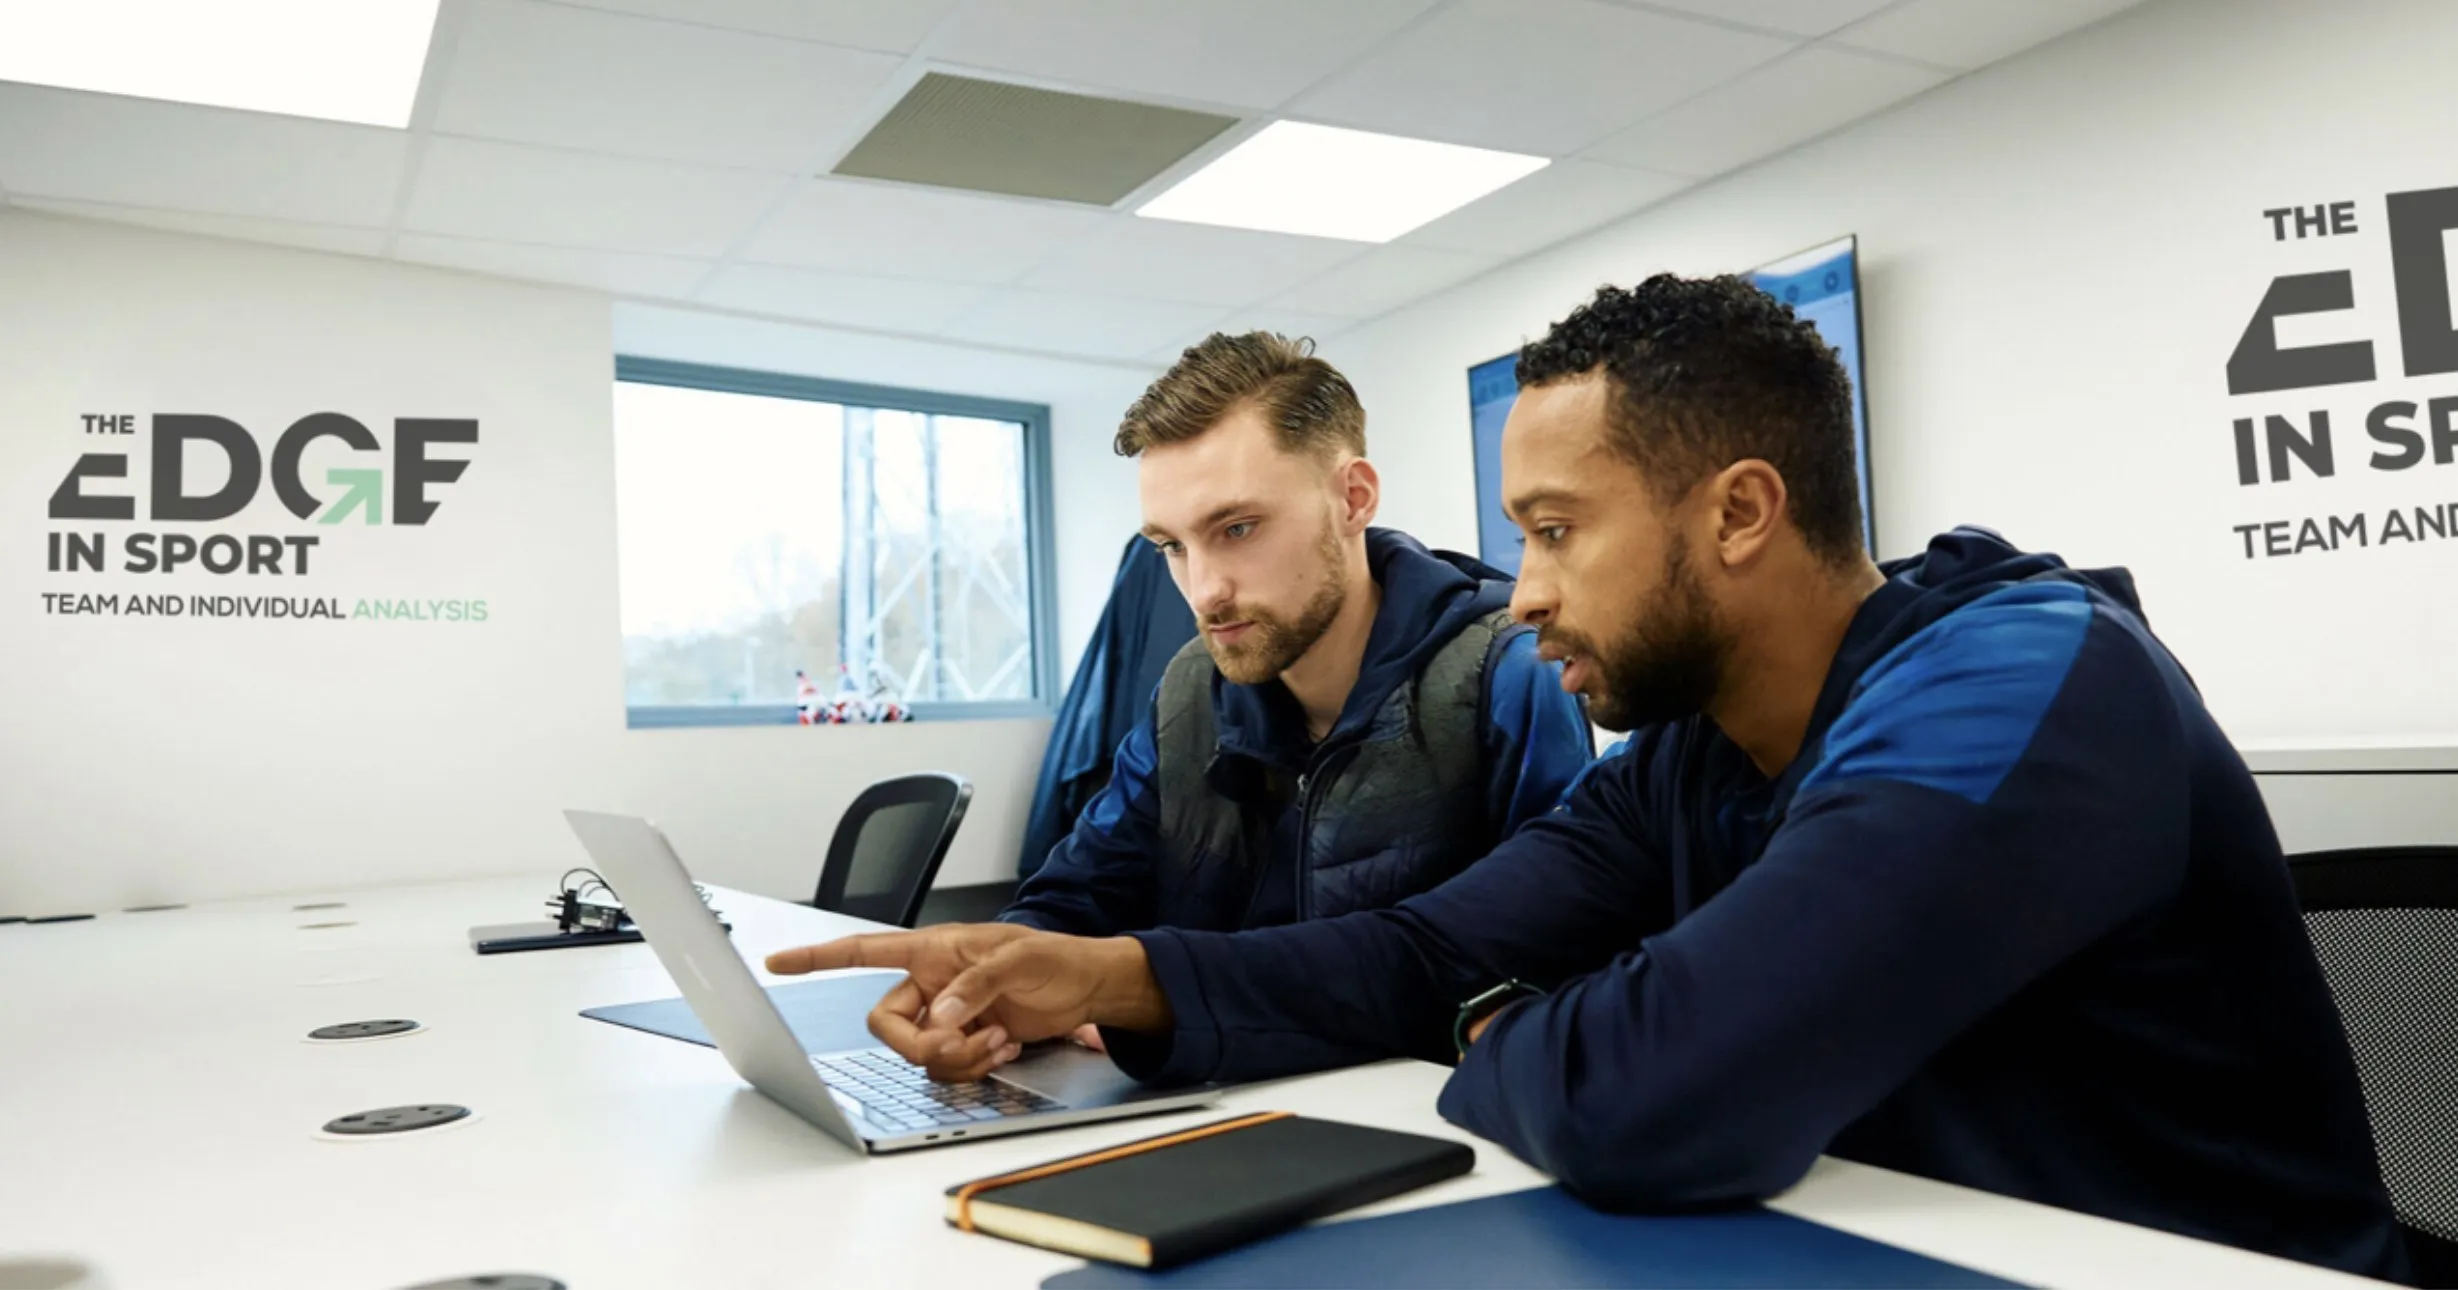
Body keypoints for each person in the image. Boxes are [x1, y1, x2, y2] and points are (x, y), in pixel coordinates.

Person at [767, 279, 2405, 1280]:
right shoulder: (1690, 752)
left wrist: (1491, 1024)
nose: (1524, 591)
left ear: (1739, 512)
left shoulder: (2022, 678)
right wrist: (1107, 979)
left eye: (1554, 533)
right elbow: (1417, 953)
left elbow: (1655, 1093)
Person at [998, 331, 1593, 944]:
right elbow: (1073, 895)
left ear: (1353, 500)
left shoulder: (1509, 672)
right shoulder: (1190, 687)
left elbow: (1548, 953)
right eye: (1173, 546)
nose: (1203, 593)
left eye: (1239, 528)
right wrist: (991, 985)